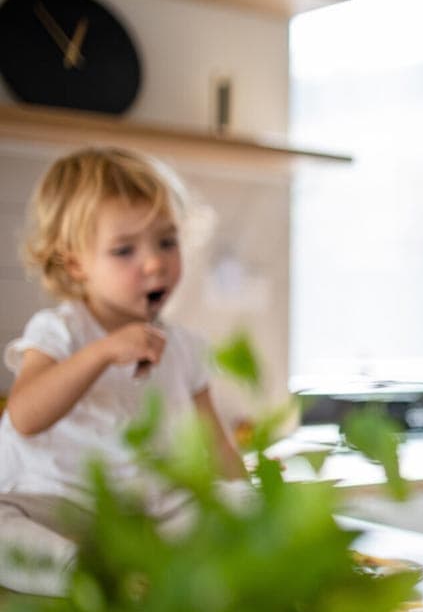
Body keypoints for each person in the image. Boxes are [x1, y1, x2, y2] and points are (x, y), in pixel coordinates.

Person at [0, 146, 243, 503]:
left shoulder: (186, 348)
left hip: (137, 511)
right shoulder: (60, 330)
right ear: (76, 266)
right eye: (124, 250)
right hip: (50, 501)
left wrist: (254, 512)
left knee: (232, 502)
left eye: (166, 242)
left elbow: (218, 446)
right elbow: (23, 416)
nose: (155, 264)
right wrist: (103, 352)